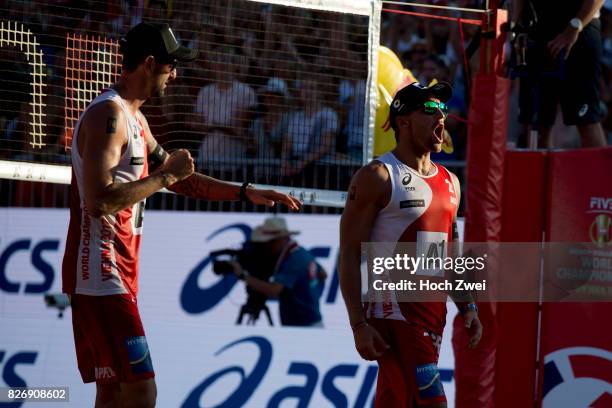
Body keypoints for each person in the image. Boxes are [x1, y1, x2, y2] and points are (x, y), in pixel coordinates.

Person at [61, 22, 301, 408]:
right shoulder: (109, 115)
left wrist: (245, 191)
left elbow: (182, 181)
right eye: (171, 65)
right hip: (100, 274)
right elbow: (100, 201)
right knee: (141, 390)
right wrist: (165, 175)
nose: (175, 74)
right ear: (150, 63)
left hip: (115, 271)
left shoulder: (134, 118)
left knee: (113, 391)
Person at [339, 82, 482, 407]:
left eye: (444, 110)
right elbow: (349, 253)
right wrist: (358, 323)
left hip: (432, 315)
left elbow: (449, 252)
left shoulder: (450, 180)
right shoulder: (377, 176)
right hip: (394, 315)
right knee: (433, 402)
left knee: (396, 401)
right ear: (403, 121)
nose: (441, 117)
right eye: (430, 110)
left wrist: (467, 304)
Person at [514, 0, 608, 148]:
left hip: (579, 31)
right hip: (537, 33)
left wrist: (574, 27)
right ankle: (539, 170)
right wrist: (518, 30)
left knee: (586, 119)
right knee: (537, 123)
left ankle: (599, 171)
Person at [232, 217, 326, 327]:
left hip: (304, 326)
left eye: (271, 241)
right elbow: (323, 273)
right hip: (307, 322)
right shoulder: (300, 252)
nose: (268, 246)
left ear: (283, 238)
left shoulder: (293, 259)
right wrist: (309, 290)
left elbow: (274, 290)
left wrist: (243, 276)